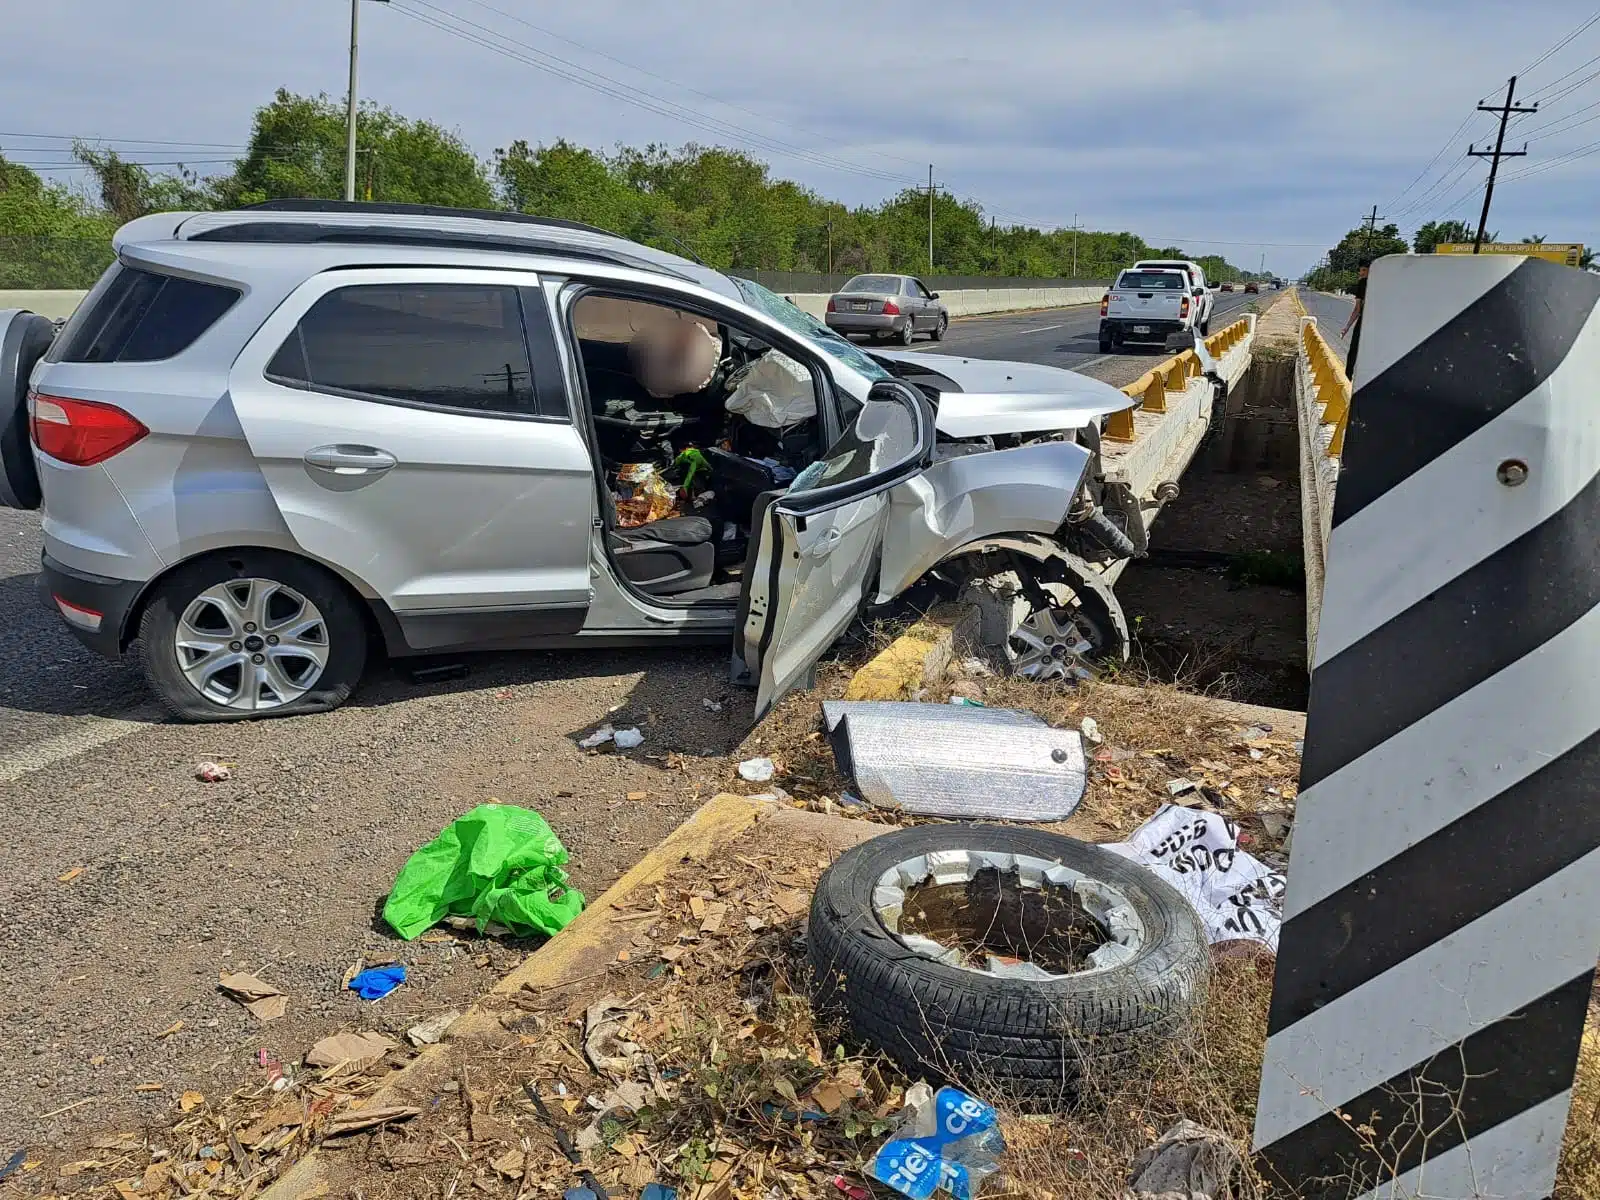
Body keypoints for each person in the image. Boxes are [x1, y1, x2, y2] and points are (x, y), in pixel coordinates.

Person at [1341, 264, 1369, 379]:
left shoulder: (1362, 284)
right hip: (1376, 320)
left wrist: (1347, 327)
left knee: (1354, 350)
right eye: (1360, 270)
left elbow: (1357, 309)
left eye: (1364, 270)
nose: (1361, 273)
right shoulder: (1382, 283)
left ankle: (1348, 378)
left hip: (1365, 321)